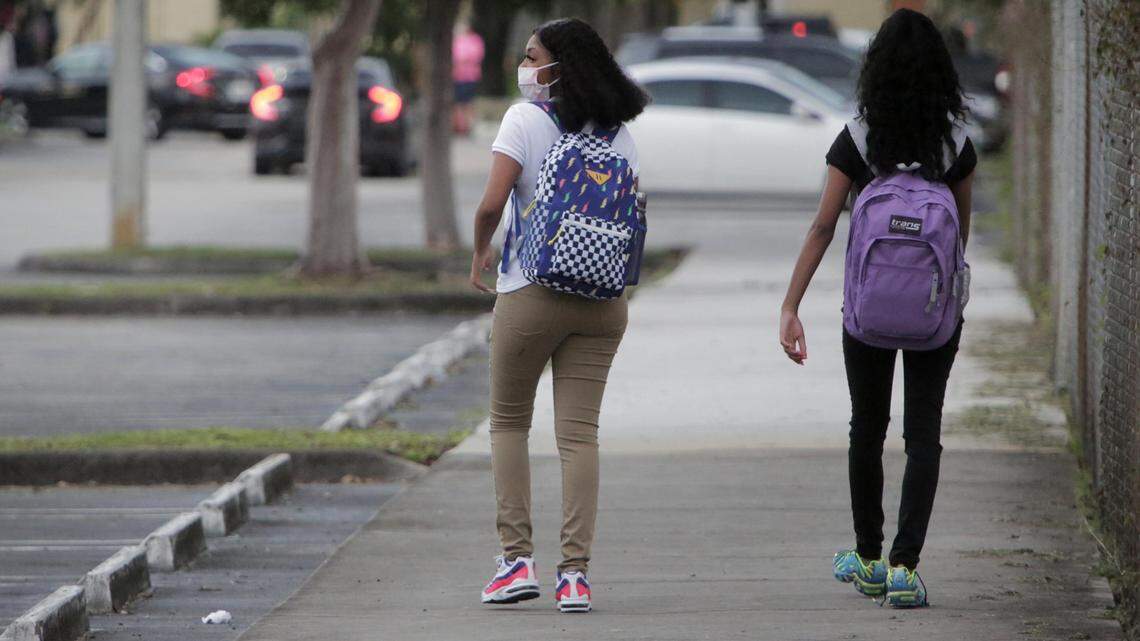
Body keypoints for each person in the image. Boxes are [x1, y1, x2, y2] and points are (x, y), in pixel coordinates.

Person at [778, 8, 976, 608]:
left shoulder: (858, 136)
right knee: (923, 434)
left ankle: (866, 557)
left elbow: (821, 227)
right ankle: (904, 568)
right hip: (933, 314)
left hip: (866, 312)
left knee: (867, 427)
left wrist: (791, 306)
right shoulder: (956, 141)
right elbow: (958, 238)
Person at [468, 17, 647, 613]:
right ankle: (576, 575)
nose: (524, 66)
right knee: (578, 436)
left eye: (531, 56)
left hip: (532, 292)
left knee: (509, 424)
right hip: (603, 301)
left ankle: (516, 562)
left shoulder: (524, 120)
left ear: (558, 66)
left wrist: (478, 255)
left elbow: (494, 202)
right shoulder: (619, 132)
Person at [451, 23, 483, 136]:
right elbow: (455, 56)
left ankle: (467, 126)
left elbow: (476, 56)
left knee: (468, 102)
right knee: (458, 102)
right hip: (458, 76)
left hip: (470, 76)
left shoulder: (476, 40)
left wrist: (464, 59)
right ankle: (459, 126)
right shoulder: (458, 40)